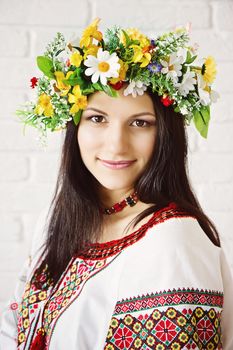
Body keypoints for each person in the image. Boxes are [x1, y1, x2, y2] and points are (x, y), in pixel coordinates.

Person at [1, 18, 233, 350]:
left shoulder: (172, 243)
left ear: (165, 134)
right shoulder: (57, 221)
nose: (115, 145)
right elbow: (12, 329)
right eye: (97, 118)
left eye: (140, 123)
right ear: (74, 127)